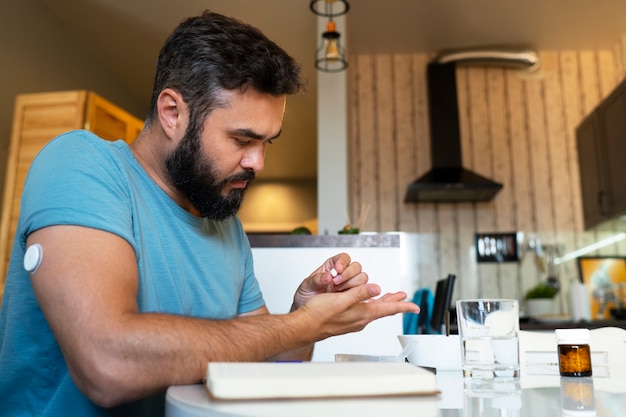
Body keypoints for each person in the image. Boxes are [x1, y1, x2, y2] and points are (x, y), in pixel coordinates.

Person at [0, 10, 418, 417]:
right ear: (172, 113)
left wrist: (302, 312)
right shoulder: (80, 164)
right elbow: (109, 364)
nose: (258, 163)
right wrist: (303, 325)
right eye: (242, 139)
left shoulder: (225, 227)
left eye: (267, 142)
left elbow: (268, 365)